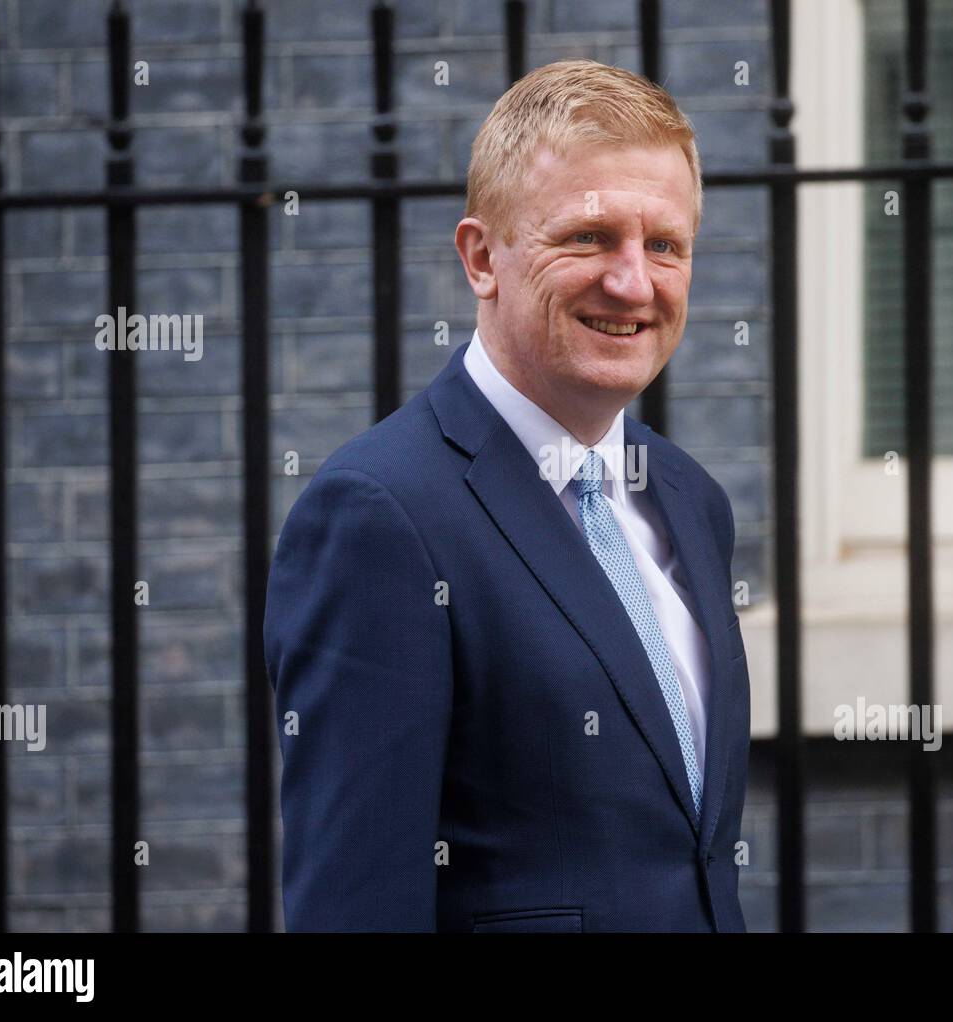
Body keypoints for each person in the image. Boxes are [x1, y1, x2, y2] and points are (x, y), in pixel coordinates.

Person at [264, 59, 750, 932]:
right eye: (590, 238)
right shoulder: (380, 516)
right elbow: (356, 905)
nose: (634, 282)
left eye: (666, 245)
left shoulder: (691, 501)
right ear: (483, 258)